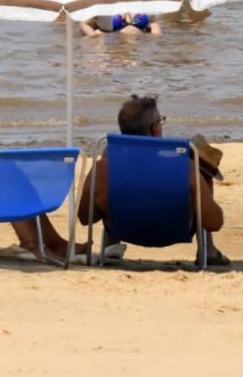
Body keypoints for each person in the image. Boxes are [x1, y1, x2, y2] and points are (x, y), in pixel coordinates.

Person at [77, 95, 228, 266]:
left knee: (112, 193)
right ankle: (208, 250)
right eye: (160, 122)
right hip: (173, 231)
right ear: (155, 129)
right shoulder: (184, 168)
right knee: (203, 172)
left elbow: (84, 218)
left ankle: (112, 247)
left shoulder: (102, 170)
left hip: (126, 230)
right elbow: (215, 222)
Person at [80, 13, 161, 36]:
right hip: (112, 50)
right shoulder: (105, 9)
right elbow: (84, 24)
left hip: (136, 53)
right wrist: (93, 35)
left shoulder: (144, 7)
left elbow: (156, 34)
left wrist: (149, 38)